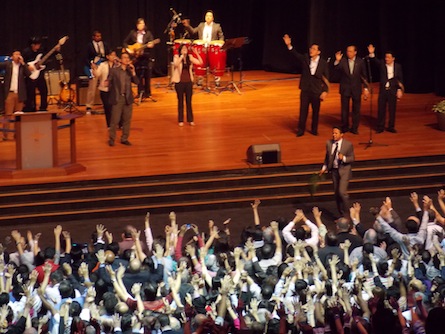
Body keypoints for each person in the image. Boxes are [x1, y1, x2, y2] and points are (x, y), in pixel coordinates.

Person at [283, 34, 329, 137]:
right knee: (303, 110)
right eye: (311, 48)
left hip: (316, 90)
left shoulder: (323, 63)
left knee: (316, 112)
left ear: (318, 52)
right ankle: (300, 130)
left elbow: (326, 79)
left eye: (314, 49)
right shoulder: (305, 58)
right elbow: (295, 54)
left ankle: (314, 129)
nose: (311, 50)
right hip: (305, 89)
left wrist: (325, 91)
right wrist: (289, 45)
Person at [367, 44, 404, 133]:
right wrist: (372, 53)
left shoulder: (398, 67)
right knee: (381, 109)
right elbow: (374, 61)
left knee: (392, 109)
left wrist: (399, 89)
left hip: (392, 90)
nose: (386, 59)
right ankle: (380, 127)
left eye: (388, 57)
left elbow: (400, 78)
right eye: (385, 57)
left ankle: (391, 126)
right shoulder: (382, 64)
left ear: (393, 58)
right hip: (383, 91)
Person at [319, 126, 355, 217]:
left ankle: (347, 215)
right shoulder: (329, 143)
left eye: (336, 133)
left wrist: (344, 158)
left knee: (342, 192)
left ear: (341, 134)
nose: (334, 135)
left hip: (344, 170)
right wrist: (324, 167)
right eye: (333, 133)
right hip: (334, 171)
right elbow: (327, 157)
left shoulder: (348, 144)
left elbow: (352, 158)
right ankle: (341, 214)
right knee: (337, 194)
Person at [333, 45, 369, 134]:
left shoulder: (360, 62)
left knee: (356, 109)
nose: (348, 53)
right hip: (345, 89)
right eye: (347, 51)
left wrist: (366, 88)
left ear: (355, 52)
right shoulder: (343, 61)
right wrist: (337, 60)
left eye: (350, 51)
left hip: (356, 89)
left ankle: (354, 127)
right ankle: (345, 126)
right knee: (344, 109)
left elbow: (364, 76)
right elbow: (336, 69)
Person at [182, 10, 224, 86]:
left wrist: (220, 44)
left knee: (214, 64)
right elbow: (193, 31)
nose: (208, 17)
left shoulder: (217, 26)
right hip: (202, 48)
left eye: (210, 16)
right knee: (201, 64)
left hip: (212, 48)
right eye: (206, 16)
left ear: (213, 18)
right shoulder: (201, 25)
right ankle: (200, 79)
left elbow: (221, 37)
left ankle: (217, 79)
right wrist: (187, 26)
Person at [107, 52, 139, 147]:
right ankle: (112, 139)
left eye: (127, 58)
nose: (126, 59)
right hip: (118, 98)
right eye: (124, 58)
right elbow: (109, 82)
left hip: (127, 98)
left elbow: (137, 82)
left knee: (127, 120)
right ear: (120, 60)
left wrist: (133, 72)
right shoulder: (114, 71)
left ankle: (124, 138)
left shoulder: (129, 71)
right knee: (115, 120)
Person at [0, 50, 31, 140]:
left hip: (20, 94)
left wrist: (23, 63)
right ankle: (5, 135)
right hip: (10, 93)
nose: (18, 56)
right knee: (8, 115)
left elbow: (29, 74)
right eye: (16, 54)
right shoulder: (8, 64)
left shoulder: (22, 66)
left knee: (18, 115)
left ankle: (17, 135)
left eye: (19, 54)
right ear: (12, 56)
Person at [123, 18, 155, 99]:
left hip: (146, 56)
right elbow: (125, 42)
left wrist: (151, 45)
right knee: (138, 75)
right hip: (136, 57)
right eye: (140, 24)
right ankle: (140, 91)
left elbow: (151, 42)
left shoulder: (148, 33)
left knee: (147, 75)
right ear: (137, 25)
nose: (142, 25)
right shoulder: (132, 33)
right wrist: (129, 50)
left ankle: (147, 93)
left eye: (143, 23)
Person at [171, 44, 203, 126]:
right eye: (183, 48)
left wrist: (196, 53)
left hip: (188, 82)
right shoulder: (176, 56)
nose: (185, 49)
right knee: (180, 101)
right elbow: (176, 65)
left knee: (189, 102)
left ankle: (190, 120)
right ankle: (180, 120)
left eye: (186, 48)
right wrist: (181, 57)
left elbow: (200, 62)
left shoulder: (190, 57)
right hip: (179, 82)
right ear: (180, 50)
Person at [22, 37, 49, 111]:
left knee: (44, 90)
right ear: (32, 45)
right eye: (37, 44)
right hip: (30, 75)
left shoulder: (41, 51)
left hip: (40, 74)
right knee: (31, 92)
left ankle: (43, 107)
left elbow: (47, 59)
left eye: (39, 44)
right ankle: (31, 107)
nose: (39, 46)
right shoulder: (26, 52)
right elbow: (22, 63)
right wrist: (28, 66)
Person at [85, 30, 109, 115]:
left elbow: (108, 54)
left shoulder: (104, 44)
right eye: (97, 36)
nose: (99, 37)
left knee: (104, 85)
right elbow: (86, 57)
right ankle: (89, 106)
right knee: (92, 86)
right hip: (95, 66)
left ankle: (105, 104)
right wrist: (91, 64)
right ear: (93, 37)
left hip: (104, 65)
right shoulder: (89, 46)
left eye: (100, 36)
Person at [92, 50, 117, 128]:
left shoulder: (117, 65)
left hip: (115, 90)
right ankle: (109, 125)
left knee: (115, 108)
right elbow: (97, 74)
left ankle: (118, 123)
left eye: (114, 55)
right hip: (104, 89)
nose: (113, 57)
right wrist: (94, 69)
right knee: (107, 107)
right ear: (107, 57)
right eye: (111, 55)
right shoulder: (103, 65)